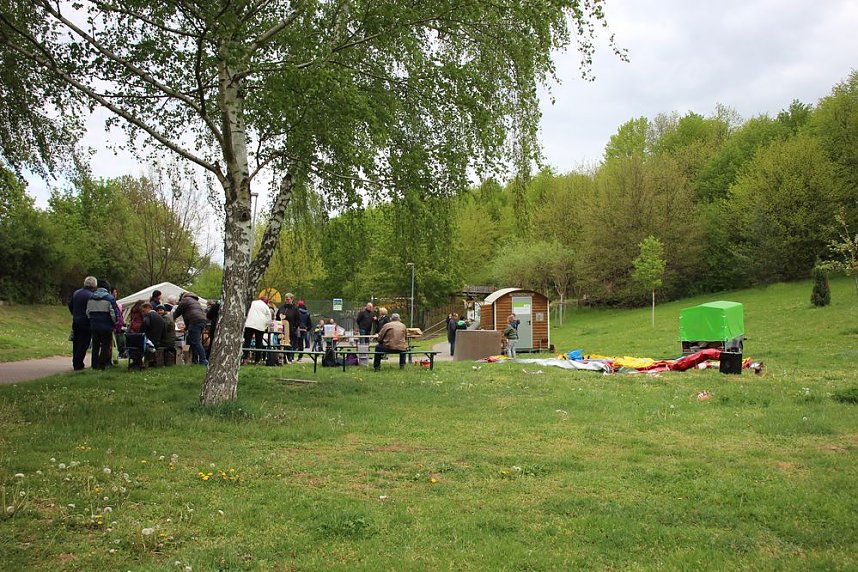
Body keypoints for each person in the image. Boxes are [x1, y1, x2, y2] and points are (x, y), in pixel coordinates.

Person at [86, 279, 120, 370]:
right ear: (107, 288)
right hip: (106, 326)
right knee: (105, 345)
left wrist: (92, 320)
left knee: (95, 346)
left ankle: (94, 365)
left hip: (94, 325)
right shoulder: (109, 298)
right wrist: (114, 322)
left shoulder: (91, 297)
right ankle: (101, 364)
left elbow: (88, 312)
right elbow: (113, 313)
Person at [68, 275, 98, 371]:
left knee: (76, 342)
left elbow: (70, 305)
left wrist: (74, 313)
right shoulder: (90, 296)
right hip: (86, 322)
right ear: (94, 286)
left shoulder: (76, 293)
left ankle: (75, 362)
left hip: (76, 321)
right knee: (83, 343)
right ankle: (78, 363)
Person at [173, 291, 208, 365]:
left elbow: (177, 312)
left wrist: (172, 319)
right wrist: (186, 328)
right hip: (202, 321)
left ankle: (203, 360)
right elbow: (189, 315)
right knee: (191, 340)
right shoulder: (195, 301)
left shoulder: (185, 300)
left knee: (195, 341)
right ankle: (194, 360)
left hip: (195, 322)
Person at [244, 295, 271, 365]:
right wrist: (266, 326)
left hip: (249, 324)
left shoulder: (253, 303)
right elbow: (269, 319)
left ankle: (245, 359)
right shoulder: (266, 307)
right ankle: (257, 361)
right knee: (258, 343)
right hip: (260, 326)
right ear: (266, 302)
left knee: (247, 341)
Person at [276, 293, 299, 362]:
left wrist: (294, 328)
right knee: (280, 344)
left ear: (292, 299)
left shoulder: (295, 308)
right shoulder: (282, 307)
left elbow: (298, 320)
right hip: (281, 330)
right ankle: (281, 358)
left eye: (288, 299)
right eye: (286, 299)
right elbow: (277, 317)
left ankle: (290, 358)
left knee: (289, 345)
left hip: (291, 331)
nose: (287, 300)